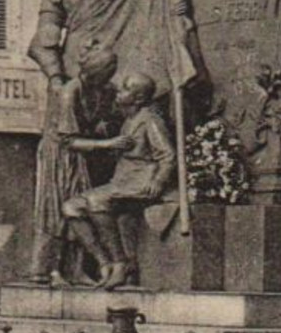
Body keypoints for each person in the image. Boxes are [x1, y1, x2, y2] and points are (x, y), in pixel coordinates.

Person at [61, 74, 177, 290]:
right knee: (70, 208)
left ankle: (121, 263)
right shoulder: (129, 118)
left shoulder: (150, 120)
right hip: (122, 180)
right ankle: (104, 263)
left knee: (96, 202)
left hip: (140, 181)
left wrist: (159, 181)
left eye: (125, 89)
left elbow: (168, 155)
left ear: (139, 98)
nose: (119, 91)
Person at [28, 44, 120, 285]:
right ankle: (44, 271)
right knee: (53, 211)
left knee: (80, 209)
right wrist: (108, 144)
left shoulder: (106, 90)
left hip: (83, 155)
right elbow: (68, 139)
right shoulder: (70, 91)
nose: (111, 76)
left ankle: (75, 270)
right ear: (93, 72)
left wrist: (104, 126)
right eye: (108, 71)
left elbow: (106, 116)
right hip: (59, 156)